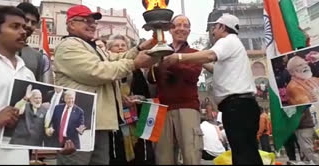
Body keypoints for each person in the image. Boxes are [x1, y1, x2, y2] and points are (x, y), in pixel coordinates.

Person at [53, 4, 157, 165]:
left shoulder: (92, 47)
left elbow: (116, 58)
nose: (92, 25)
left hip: (99, 122)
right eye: (86, 21)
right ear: (71, 24)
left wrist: (140, 48)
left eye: (93, 22)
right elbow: (98, 71)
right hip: (78, 123)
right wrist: (134, 64)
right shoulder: (68, 46)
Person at [163, 13, 263, 164]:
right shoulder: (233, 46)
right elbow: (214, 68)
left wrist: (178, 58)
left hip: (238, 106)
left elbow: (209, 56)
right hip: (239, 106)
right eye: (177, 25)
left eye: (215, 28)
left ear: (223, 27)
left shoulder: (228, 41)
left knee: (243, 154)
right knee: (245, 151)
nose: (213, 32)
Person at [148, 14, 203, 165]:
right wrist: (156, 62)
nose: (181, 29)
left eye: (185, 26)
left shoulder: (194, 54)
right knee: (163, 157)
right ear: (170, 30)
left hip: (187, 107)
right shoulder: (159, 52)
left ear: (189, 31)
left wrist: (172, 60)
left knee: (191, 154)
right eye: (177, 25)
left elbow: (192, 75)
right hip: (162, 109)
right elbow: (151, 79)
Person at [107, 34, 155, 165]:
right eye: (116, 45)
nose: (120, 48)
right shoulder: (107, 70)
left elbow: (145, 94)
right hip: (115, 122)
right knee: (117, 155)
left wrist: (137, 98)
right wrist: (118, 99)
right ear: (109, 50)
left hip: (136, 120)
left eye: (123, 45)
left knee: (140, 155)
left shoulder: (136, 71)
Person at [0, 6, 35, 164]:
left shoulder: (27, 74)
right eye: (15, 26)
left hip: (18, 155)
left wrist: (58, 143)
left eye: (24, 27)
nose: (23, 32)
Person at [16, 2, 53, 84]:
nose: (29, 25)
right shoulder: (3, 48)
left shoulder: (38, 57)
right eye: (26, 20)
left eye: (33, 23)